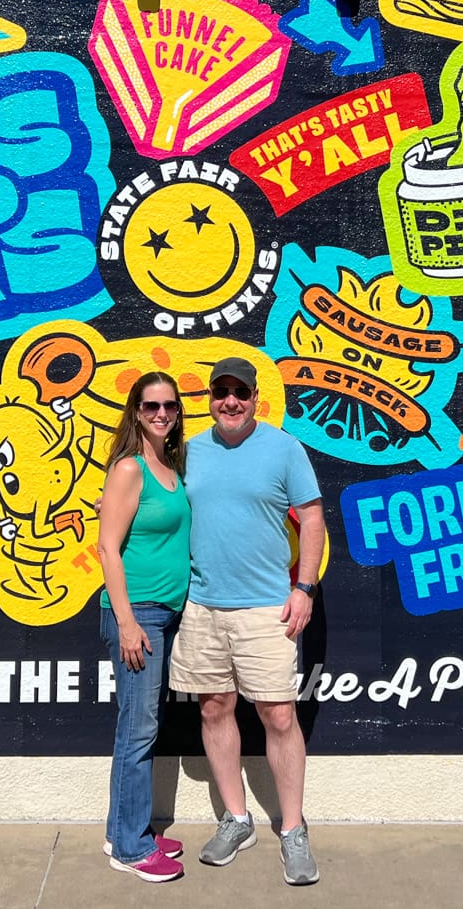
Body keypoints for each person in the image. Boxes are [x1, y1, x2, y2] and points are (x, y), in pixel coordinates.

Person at [168, 356, 327, 887]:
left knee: (279, 716)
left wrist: (303, 588)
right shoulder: (189, 451)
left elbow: (312, 518)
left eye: (240, 392)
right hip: (203, 605)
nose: (230, 401)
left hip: (267, 607)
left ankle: (294, 829)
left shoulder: (284, 448)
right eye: (221, 392)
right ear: (210, 398)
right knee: (215, 709)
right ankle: (237, 820)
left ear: (256, 397)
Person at [96, 371, 193, 883]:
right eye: (151, 405)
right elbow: (107, 548)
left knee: (139, 724)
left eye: (170, 406)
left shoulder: (170, 466)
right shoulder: (130, 469)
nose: (161, 413)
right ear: (136, 411)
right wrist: (129, 621)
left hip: (166, 612)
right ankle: (130, 849)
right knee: (139, 730)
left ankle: (123, 828)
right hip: (140, 614)